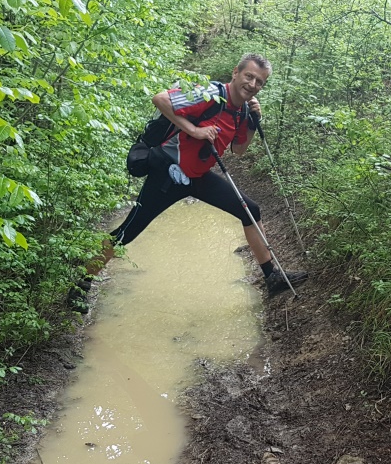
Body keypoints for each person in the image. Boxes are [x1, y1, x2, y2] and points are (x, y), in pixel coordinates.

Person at [107, 53, 307, 296]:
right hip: (167, 173)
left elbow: (239, 150)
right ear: (236, 73)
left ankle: (271, 277)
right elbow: (160, 99)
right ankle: (82, 279)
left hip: (198, 177)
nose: (253, 84)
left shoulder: (242, 111)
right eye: (249, 76)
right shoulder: (210, 93)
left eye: (259, 82)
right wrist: (195, 130)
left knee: (250, 211)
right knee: (127, 232)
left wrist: (254, 122)